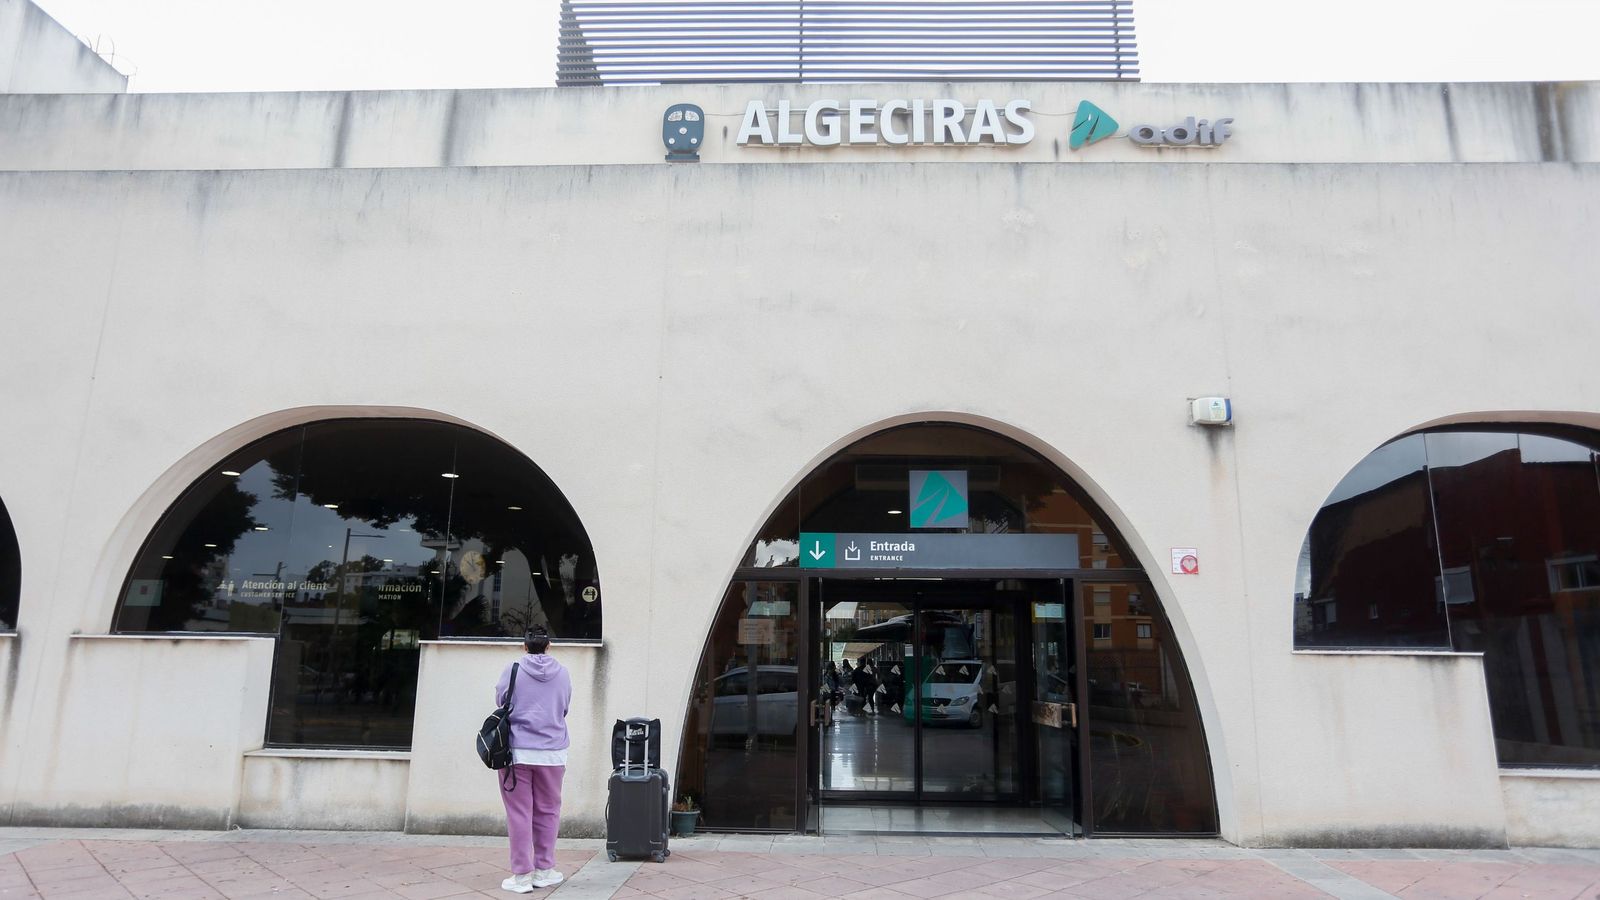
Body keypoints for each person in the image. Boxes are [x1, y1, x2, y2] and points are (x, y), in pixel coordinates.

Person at [494, 626, 571, 893]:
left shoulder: (513, 668)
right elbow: (564, 707)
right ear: (549, 646)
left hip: (517, 752)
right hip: (552, 753)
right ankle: (545, 870)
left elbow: (500, 699)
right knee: (548, 810)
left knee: (519, 813)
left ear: (524, 646)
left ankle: (522, 876)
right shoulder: (563, 673)